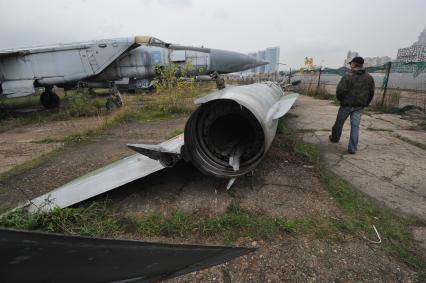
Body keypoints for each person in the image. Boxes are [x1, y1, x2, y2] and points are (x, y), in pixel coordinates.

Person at [329, 56, 375, 154]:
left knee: (339, 123)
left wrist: (341, 100)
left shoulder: (348, 75)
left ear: (354, 64)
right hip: (359, 106)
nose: (350, 65)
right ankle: (352, 148)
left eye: (350, 63)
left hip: (346, 105)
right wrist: (365, 103)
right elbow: (371, 93)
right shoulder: (369, 77)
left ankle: (335, 138)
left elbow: (340, 91)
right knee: (355, 127)